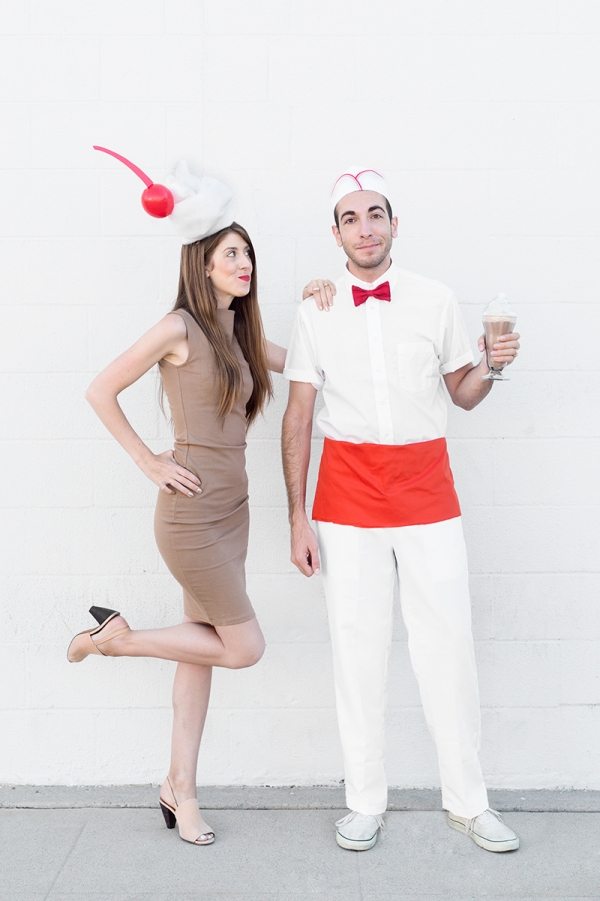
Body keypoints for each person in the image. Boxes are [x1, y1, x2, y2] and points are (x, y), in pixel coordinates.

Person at [67, 153, 322, 847]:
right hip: (188, 513)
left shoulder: (239, 332)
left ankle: (179, 787)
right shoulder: (179, 327)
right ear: (202, 262)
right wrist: (150, 460)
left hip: (231, 514)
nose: (245, 263)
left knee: (201, 652)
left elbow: (307, 358)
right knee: (243, 647)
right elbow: (100, 388)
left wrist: (325, 297)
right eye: (232, 253)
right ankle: (116, 640)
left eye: (248, 254)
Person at [282, 166, 522, 854]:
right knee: (356, 654)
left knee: (447, 647)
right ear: (336, 233)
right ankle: (363, 801)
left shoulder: (436, 299)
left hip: (427, 495)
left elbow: (464, 393)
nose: (366, 227)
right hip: (347, 500)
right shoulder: (314, 309)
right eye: (352, 218)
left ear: (393, 224)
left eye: (376, 214)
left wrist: (492, 365)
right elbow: (298, 418)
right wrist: (297, 517)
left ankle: (469, 803)